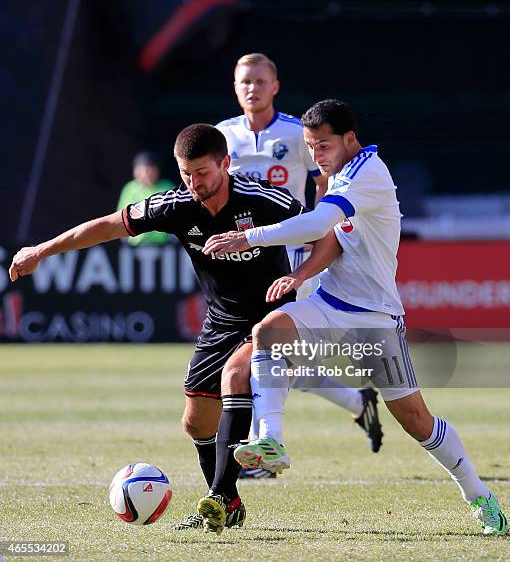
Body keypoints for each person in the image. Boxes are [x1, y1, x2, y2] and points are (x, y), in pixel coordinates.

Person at [9, 123, 340, 535]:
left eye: (202, 172)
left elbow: (326, 236)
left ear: (225, 163)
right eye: (186, 173)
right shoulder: (176, 205)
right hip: (222, 320)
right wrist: (41, 251)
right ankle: (231, 503)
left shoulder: (264, 199)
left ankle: (218, 498)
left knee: (235, 375)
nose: (194, 182)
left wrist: (303, 276)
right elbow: (108, 226)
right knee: (196, 422)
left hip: (273, 316)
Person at [202, 100, 509, 536]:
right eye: (309, 147)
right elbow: (333, 239)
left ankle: (479, 495)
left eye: (323, 145)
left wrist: (247, 237)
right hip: (330, 303)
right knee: (267, 333)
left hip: (376, 318)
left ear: (350, 138)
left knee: (416, 421)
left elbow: (319, 222)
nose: (316, 155)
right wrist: (300, 275)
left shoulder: (369, 172)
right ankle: (270, 439)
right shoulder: (339, 174)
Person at [216, 54, 382, 477]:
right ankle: (355, 401)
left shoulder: (296, 133)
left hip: (287, 255)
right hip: (239, 256)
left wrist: (320, 234)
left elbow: (327, 180)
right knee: (276, 355)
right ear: (235, 88)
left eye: (259, 80)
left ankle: (261, 452)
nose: (251, 88)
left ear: (275, 86)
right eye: (244, 82)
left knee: (266, 352)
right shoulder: (223, 136)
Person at [117, 151, 174, 246]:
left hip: (164, 246)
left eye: (150, 169)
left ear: (157, 170)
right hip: (135, 246)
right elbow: (121, 215)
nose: (146, 173)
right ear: (135, 171)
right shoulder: (130, 188)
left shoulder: (167, 187)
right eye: (142, 170)